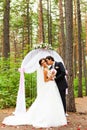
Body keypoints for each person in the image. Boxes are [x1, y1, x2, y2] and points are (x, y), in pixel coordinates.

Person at [2, 58, 67, 128]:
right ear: (41, 65)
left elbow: (54, 75)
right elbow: (45, 80)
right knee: (48, 101)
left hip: (52, 86)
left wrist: (52, 76)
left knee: (54, 101)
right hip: (49, 85)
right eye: (42, 63)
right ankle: (46, 117)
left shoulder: (49, 68)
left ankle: (56, 116)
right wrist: (51, 78)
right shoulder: (45, 70)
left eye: (44, 62)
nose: (44, 63)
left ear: (46, 61)